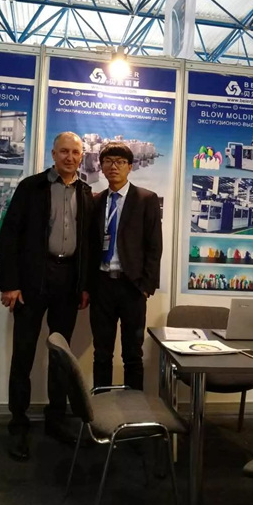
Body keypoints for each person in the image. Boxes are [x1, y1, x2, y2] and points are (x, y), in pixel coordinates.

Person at [0, 131, 93, 462]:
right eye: (64, 151)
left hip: (67, 283)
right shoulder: (31, 187)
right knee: (23, 354)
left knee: (60, 357)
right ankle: (18, 424)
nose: (70, 157)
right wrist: (10, 284)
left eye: (75, 153)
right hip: (31, 282)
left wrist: (84, 286)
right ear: (53, 154)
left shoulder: (85, 192)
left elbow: (88, 245)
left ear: (81, 157)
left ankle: (56, 419)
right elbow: (9, 235)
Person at [89, 142, 162, 391]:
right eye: (108, 161)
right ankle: (100, 405)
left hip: (132, 286)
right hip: (102, 286)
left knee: (132, 354)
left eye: (120, 162)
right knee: (101, 353)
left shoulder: (146, 199)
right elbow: (90, 245)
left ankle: (134, 408)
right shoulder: (96, 201)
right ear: (102, 166)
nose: (114, 166)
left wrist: (146, 286)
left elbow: (154, 245)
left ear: (130, 167)